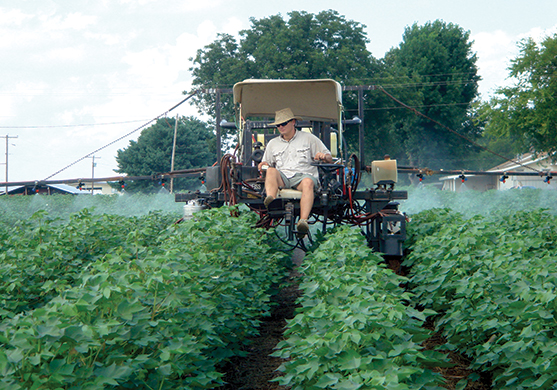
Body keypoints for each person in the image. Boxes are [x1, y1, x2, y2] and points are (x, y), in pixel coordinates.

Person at [257, 108, 332, 236]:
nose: (281, 127)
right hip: (284, 177)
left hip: (303, 176)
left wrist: (323, 156)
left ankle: (303, 221)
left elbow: (329, 157)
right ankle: (272, 200)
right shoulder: (272, 143)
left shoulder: (309, 138)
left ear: (293, 122)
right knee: (270, 170)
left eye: (284, 123)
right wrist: (262, 165)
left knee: (308, 182)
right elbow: (265, 163)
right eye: (278, 125)